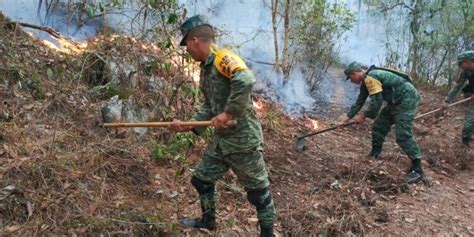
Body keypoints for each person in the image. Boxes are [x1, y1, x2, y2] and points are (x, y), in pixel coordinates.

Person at [168, 15, 275, 236]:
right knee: (201, 180)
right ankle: (208, 222)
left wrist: (228, 113)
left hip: (243, 142)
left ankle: (267, 233)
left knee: (258, 195)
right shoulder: (206, 69)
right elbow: (209, 106)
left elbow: (245, 80)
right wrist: (187, 126)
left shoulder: (223, 58)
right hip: (221, 141)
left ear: (195, 40)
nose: (186, 50)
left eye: (186, 44)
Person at [340, 62, 424, 184]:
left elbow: (377, 102)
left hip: (406, 99)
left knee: (402, 135)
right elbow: (359, 102)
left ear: (354, 73)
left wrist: (364, 115)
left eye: (351, 78)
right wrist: (346, 118)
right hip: (394, 102)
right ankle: (375, 154)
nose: (351, 81)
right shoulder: (366, 81)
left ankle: (418, 169)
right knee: (379, 126)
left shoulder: (371, 78)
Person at [441, 50, 474, 147]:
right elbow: (457, 86)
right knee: (469, 122)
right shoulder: (466, 73)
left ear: (468, 61)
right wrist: (447, 100)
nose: (459, 66)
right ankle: (465, 144)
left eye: (461, 63)